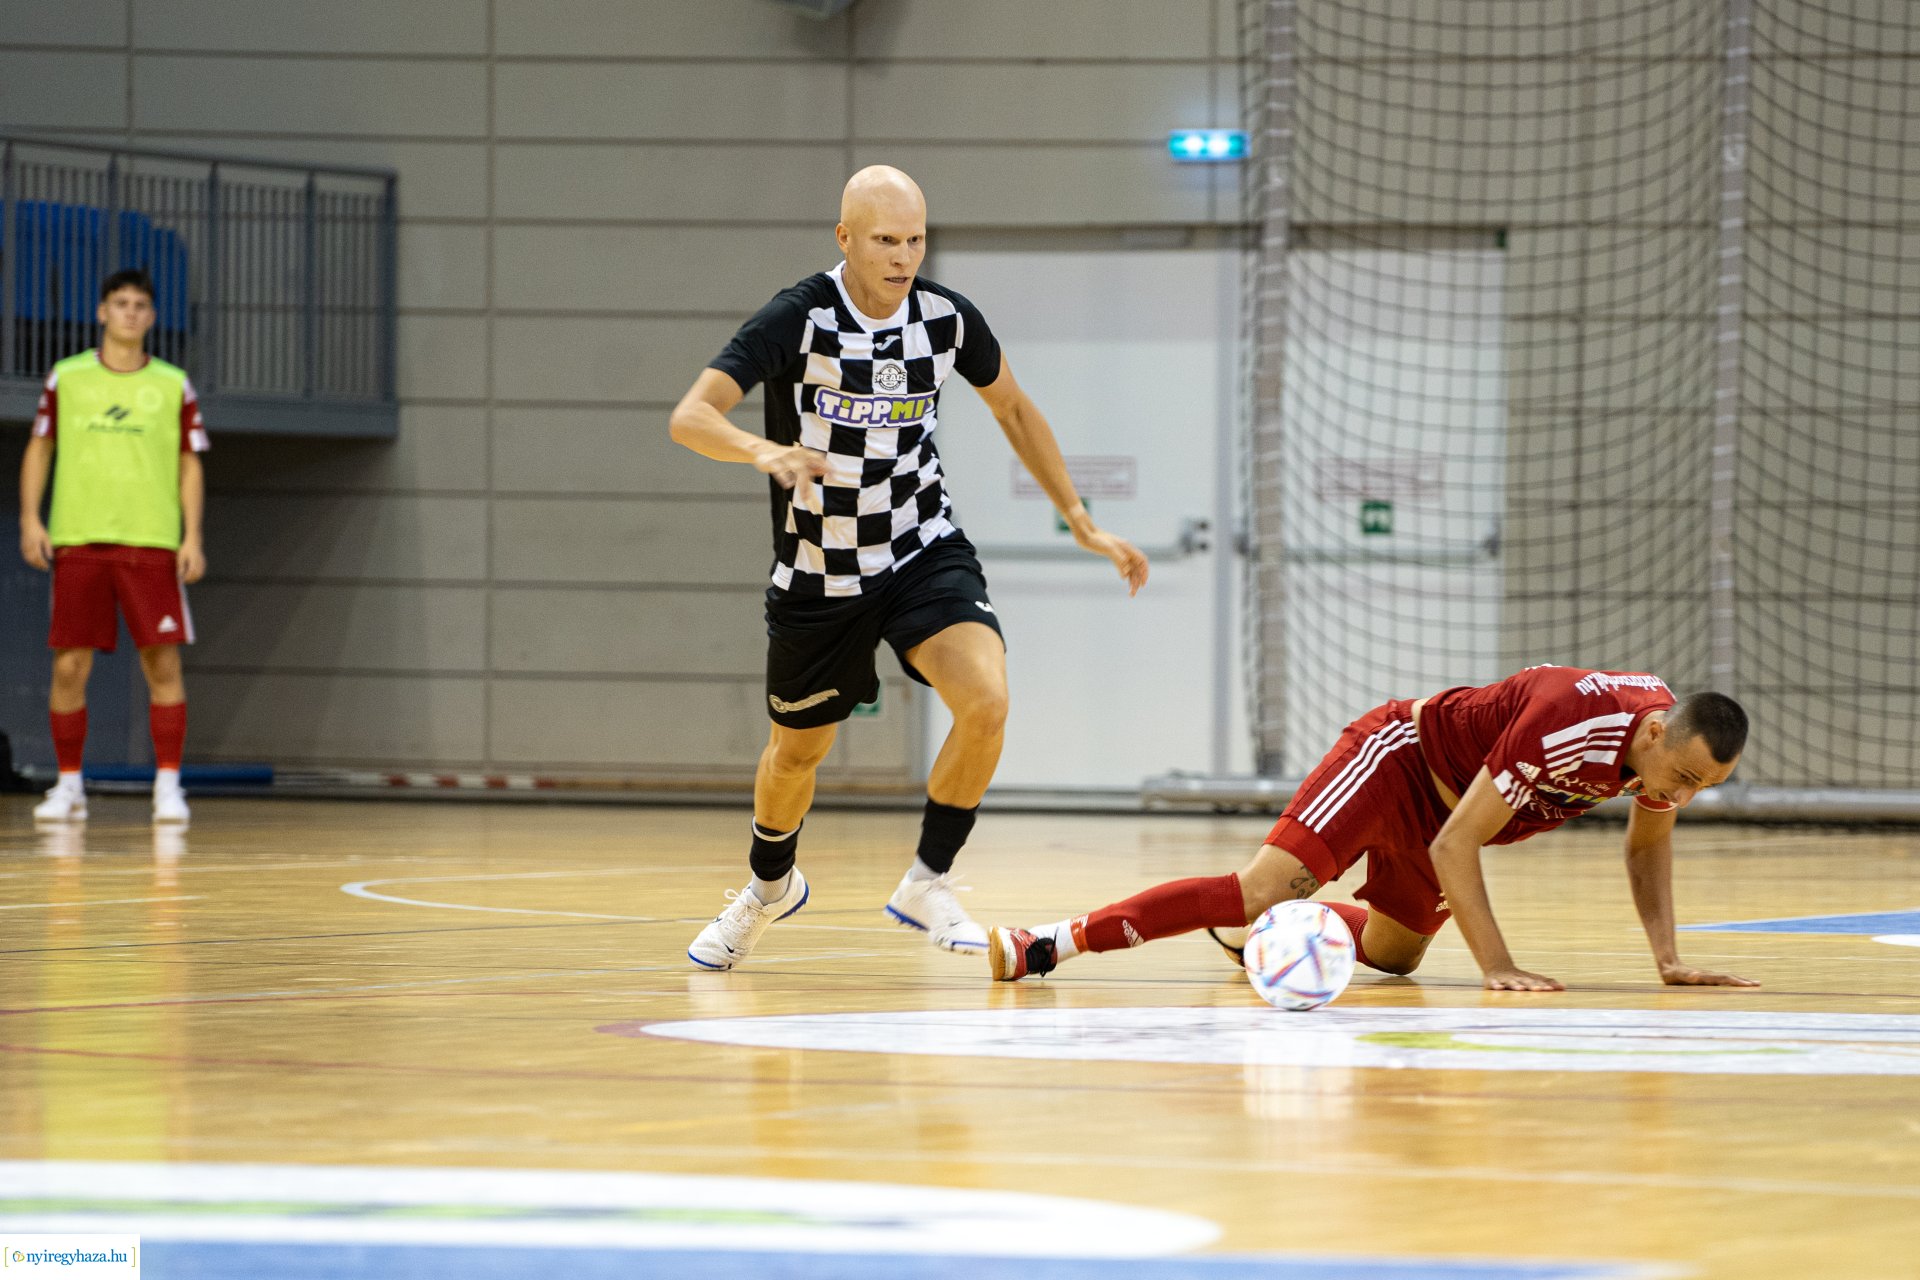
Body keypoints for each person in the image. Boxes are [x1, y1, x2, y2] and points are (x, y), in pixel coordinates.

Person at [674, 166, 1149, 971]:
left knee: (987, 698)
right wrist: (764, 451)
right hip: (821, 569)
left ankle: (930, 878)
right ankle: (766, 889)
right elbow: (693, 415)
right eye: (886, 240)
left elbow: (1014, 408)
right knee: (796, 756)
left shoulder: (946, 320)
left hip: (920, 546)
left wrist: (1080, 518)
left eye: (916, 240)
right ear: (846, 239)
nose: (902, 257)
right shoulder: (799, 318)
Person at [988, 665, 1760, 992]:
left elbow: (1647, 846)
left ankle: (1260, 931)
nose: (1685, 797)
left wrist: (1669, 959)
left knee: (1395, 958)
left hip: (1458, 808)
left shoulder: (1661, 755)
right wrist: (1498, 966)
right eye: (1687, 780)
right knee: (1254, 889)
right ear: (1655, 732)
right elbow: (1455, 844)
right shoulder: (1567, 722)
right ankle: (1049, 942)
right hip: (1398, 763)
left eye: (1706, 789)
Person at [17, 269, 209, 825]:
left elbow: (188, 463)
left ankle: (168, 786)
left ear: (152, 317)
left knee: (162, 661)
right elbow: (39, 448)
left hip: (150, 543)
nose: (130, 312)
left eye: (141, 305)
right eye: (120, 303)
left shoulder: (173, 383)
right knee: (70, 667)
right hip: (80, 539)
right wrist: (32, 519)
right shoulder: (67, 377)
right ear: (101, 312)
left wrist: (191, 536)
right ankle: (69, 785)